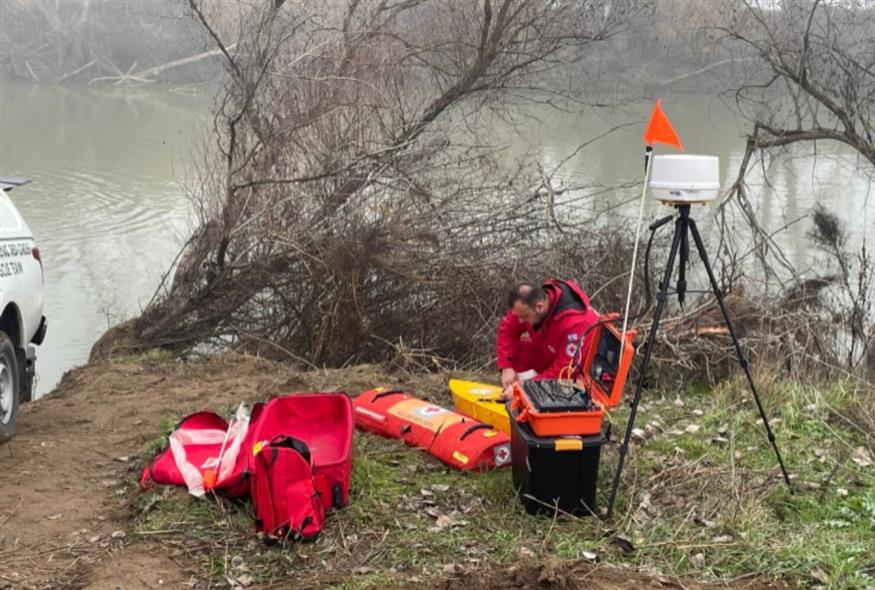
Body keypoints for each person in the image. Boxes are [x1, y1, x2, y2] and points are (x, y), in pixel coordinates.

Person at [497, 279, 600, 398]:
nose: (520, 321)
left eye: (524, 316)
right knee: (517, 352)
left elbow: (562, 373)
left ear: (539, 307)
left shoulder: (576, 325)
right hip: (549, 352)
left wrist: (521, 389)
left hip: (577, 373)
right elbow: (507, 328)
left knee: (565, 387)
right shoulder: (531, 304)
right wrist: (506, 367)